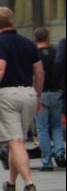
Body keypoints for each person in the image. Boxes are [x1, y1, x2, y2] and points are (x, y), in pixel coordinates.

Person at [0, 7, 42, 191]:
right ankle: (11, 183)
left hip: (7, 94)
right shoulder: (28, 43)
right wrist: (38, 96)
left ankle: (29, 183)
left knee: (15, 141)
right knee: (15, 140)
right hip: (29, 94)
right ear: (13, 20)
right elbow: (39, 73)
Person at [33, 27, 64, 171]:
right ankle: (60, 152)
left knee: (42, 129)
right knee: (56, 125)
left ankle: (46, 161)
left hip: (41, 93)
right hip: (56, 92)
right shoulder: (55, 52)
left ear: (36, 38)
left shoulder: (34, 54)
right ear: (48, 37)